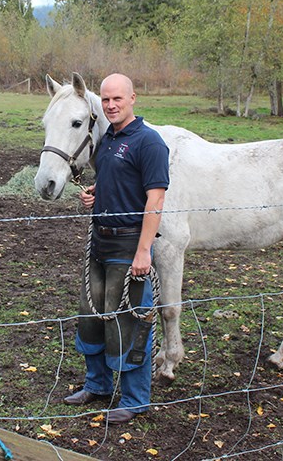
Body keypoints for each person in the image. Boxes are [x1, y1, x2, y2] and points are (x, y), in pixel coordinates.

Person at [63, 73, 169, 423]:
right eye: (106, 100)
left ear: (133, 98)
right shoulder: (107, 140)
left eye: (117, 99)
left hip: (128, 243)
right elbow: (118, 182)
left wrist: (143, 252)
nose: (110, 105)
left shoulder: (149, 142)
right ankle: (98, 384)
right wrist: (95, 195)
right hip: (100, 241)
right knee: (92, 318)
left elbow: (155, 201)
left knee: (130, 321)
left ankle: (136, 399)